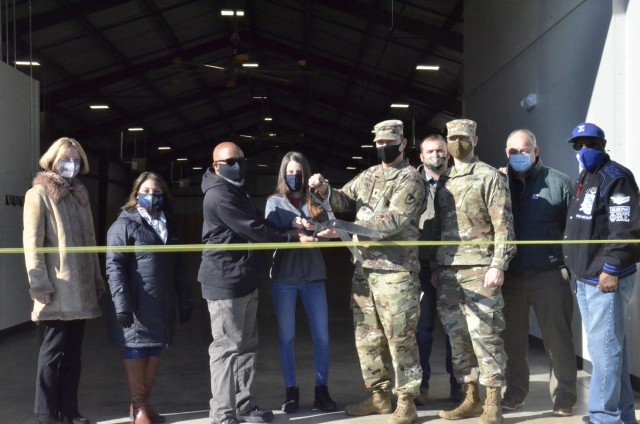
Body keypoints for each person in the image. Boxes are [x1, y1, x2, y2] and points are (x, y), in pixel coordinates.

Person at [309, 119, 425, 424]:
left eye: (389, 143)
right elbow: (344, 198)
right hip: (364, 272)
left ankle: (407, 402)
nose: (383, 148)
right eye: (378, 144)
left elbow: (391, 223)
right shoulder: (369, 175)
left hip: (396, 273)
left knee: (400, 340)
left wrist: (342, 228)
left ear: (402, 144)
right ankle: (378, 396)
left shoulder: (410, 179)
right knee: (368, 339)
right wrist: (325, 189)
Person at [198, 141, 317, 424]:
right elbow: (252, 230)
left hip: (245, 278)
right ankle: (222, 413)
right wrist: (292, 239)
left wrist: (290, 227)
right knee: (227, 348)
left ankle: (243, 404)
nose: (237, 164)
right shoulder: (219, 195)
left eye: (240, 158)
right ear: (216, 166)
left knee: (247, 346)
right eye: (230, 161)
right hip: (225, 281)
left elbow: (258, 222)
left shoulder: (237, 190)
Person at [432, 119, 515, 424]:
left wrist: (498, 264)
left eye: (463, 137)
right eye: (452, 137)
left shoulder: (490, 176)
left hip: (481, 269)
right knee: (458, 338)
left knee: (486, 335)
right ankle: (471, 399)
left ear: (475, 140)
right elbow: (440, 228)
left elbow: (503, 225)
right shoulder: (443, 179)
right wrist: (435, 266)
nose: (457, 142)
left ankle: (493, 401)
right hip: (449, 271)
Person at [23, 137, 105, 424]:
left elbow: (91, 242)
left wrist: (96, 278)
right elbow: (32, 244)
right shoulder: (39, 193)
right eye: (66, 158)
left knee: (73, 355)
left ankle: (69, 410)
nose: (72, 164)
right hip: (56, 290)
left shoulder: (80, 194)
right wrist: (40, 285)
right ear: (52, 160)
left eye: (76, 159)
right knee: (52, 353)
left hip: (80, 289)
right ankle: (46, 412)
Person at [563, 123, 640, 424]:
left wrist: (611, 269)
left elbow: (625, 229)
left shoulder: (616, 177)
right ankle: (619, 415)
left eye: (590, 144)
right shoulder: (587, 176)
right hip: (585, 277)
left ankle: (603, 417)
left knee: (606, 351)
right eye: (578, 145)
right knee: (608, 348)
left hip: (604, 278)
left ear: (603, 144)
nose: (583, 150)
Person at [500, 129, 577, 416]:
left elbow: (575, 230)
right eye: (513, 152)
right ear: (505, 153)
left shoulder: (559, 183)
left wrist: (572, 269)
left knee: (558, 339)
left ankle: (564, 397)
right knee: (512, 340)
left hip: (549, 273)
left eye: (525, 150)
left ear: (536, 150)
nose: (519, 156)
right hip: (511, 276)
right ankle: (515, 392)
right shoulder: (497, 182)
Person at [105, 172, 193, 424]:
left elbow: (179, 267)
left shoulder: (170, 226)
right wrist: (121, 304)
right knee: (135, 349)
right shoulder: (124, 225)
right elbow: (115, 267)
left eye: (156, 193)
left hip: (162, 304)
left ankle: (140, 405)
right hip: (136, 303)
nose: (151, 197)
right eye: (145, 192)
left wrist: (185, 299)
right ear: (135, 195)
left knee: (155, 349)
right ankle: (141, 408)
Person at [264, 151, 337, 414]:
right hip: (284, 278)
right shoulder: (274, 202)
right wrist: (299, 229)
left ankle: (321, 390)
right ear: (283, 175)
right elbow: (271, 229)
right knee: (287, 337)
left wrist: (322, 231)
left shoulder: (315, 200)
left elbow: (332, 227)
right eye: (290, 172)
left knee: (322, 337)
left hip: (314, 277)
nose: (294, 177)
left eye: (299, 172)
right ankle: (291, 391)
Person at [413, 135, 461, 405]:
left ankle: (458, 386)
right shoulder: (411, 183)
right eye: (430, 151)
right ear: (421, 156)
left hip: (452, 267)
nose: (437, 155)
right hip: (420, 268)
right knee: (423, 331)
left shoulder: (460, 181)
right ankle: (421, 386)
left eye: (441, 151)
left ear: (449, 153)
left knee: (455, 330)